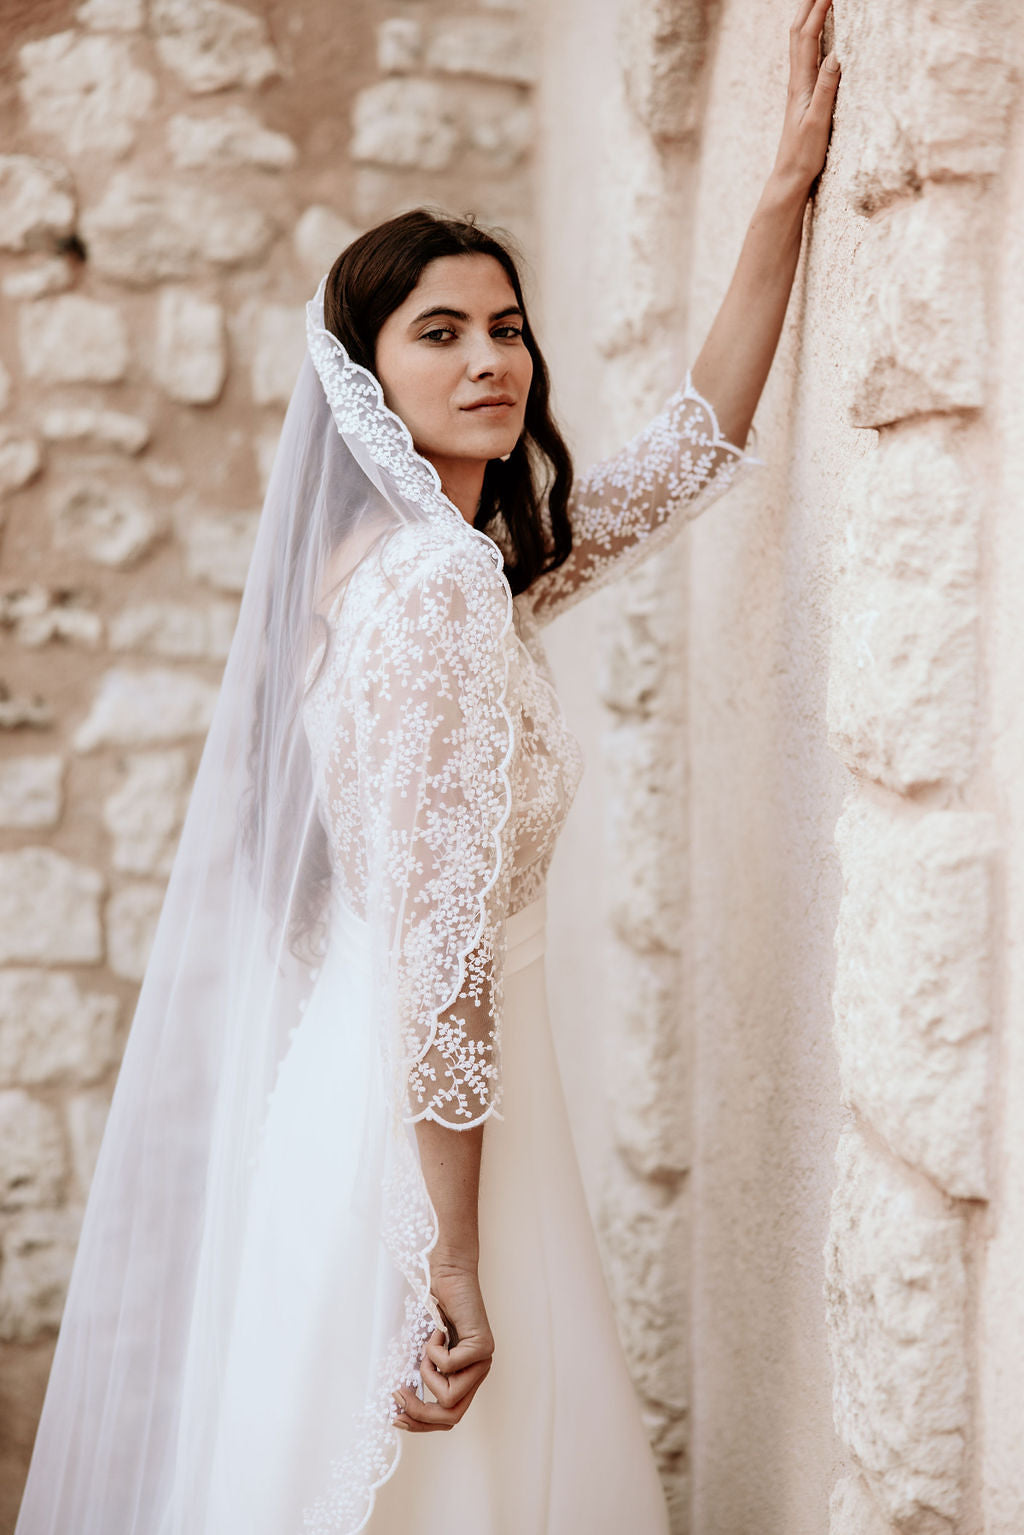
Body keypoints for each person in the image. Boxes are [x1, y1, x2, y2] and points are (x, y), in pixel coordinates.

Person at [13, 5, 839, 1532]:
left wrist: (782, 198)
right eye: (438, 333)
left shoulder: (417, 567)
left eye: (507, 327)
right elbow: (441, 947)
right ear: (366, 379)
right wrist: (447, 1248)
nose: (487, 360)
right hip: (431, 1138)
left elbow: (686, 449)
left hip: (360, 1100)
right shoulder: (441, 593)